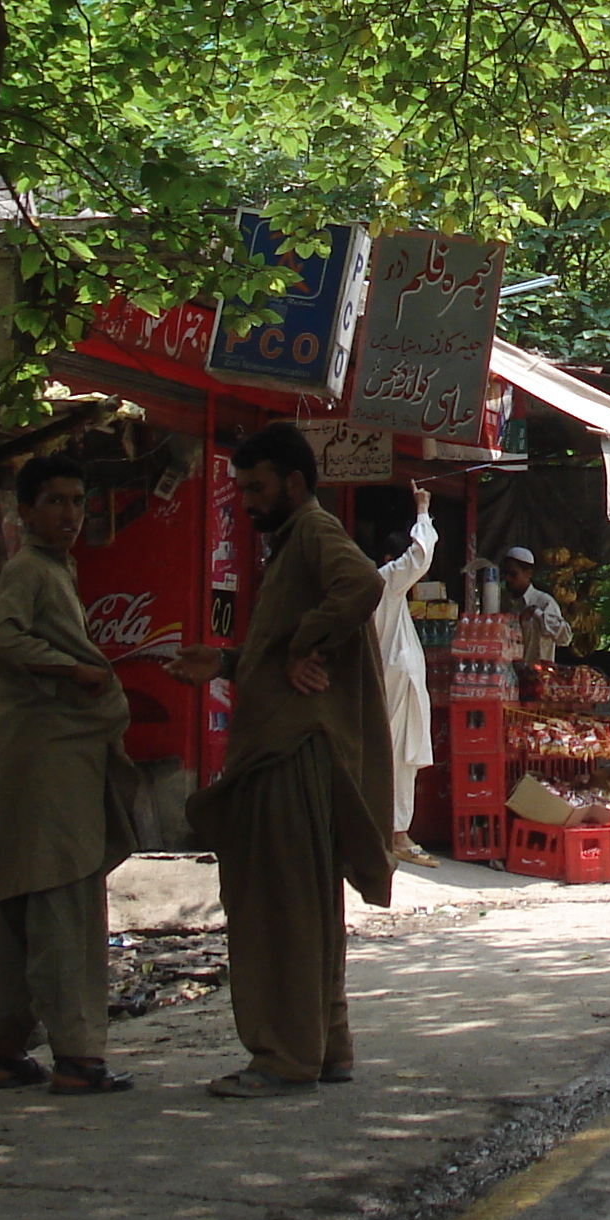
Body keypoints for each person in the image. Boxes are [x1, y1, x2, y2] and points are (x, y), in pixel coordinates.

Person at [169, 423, 392, 1099]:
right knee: (310, 909)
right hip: (292, 751)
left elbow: (363, 585)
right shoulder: (292, 544)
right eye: (241, 489)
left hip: (291, 756)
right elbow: (283, 650)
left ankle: (284, 1058)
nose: (247, 501)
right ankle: (328, 1047)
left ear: (295, 483)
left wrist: (305, 643)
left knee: (279, 912)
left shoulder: (316, 533)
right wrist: (233, 663)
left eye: (257, 487)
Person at [0, 453, 142, 1095]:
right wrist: (68, 670)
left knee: (13, 900)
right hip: (49, 761)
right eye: (57, 502)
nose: (71, 515)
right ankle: (78, 1056)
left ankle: (5, 1049)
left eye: (78, 501)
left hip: (32, 758)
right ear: (25, 510)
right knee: (65, 901)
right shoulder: (29, 571)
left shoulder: (52, 570)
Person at [371, 488, 439, 868]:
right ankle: (393, 832)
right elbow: (420, 557)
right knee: (395, 757)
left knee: (404, 758)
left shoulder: (391, 593)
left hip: (401, 684)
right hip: (394, 684)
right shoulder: (384, 582)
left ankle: (398, 831)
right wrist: (423, 511)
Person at [497, 546, 572, 663]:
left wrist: (537, 614)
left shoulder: (544, 602)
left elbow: (565, 637)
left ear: (528, 574)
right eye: (506, 574)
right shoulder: (503, 602)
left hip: (537, 675)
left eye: (513, 574)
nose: (508, 579)